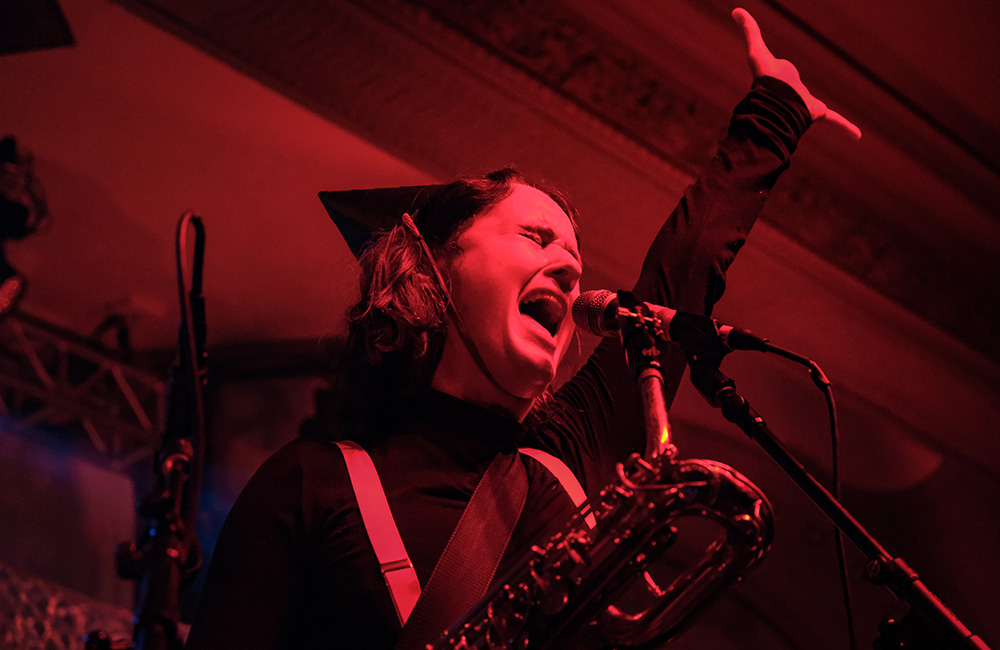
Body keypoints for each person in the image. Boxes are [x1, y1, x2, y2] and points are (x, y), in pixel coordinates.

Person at [185, 8, 860, 650]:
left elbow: (682, 274)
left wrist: (774, 111)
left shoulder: (568, 453)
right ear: (431, 269)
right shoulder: (311, 483)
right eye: (536, 238)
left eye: (574, 256)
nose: (569, 268)